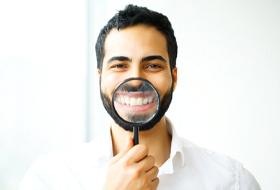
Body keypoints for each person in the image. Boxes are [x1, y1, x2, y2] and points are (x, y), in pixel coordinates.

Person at [20, 4, 261, 190]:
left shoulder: (232, 182)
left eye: (153, 65)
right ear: (100, 78)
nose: (135, 79)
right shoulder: (48, 179)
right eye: (119, 66)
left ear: (174, 78)